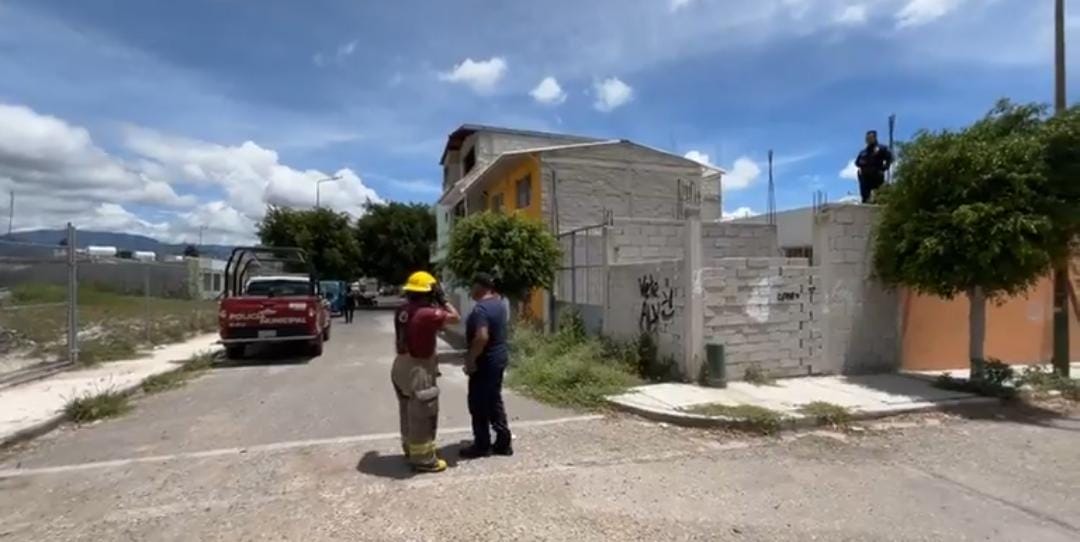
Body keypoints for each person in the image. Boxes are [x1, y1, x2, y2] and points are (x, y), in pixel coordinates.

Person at [392, 270, 460, 473]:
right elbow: (456, 318)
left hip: (400, 366)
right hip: (418, 368)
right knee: (423, 413)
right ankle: (423, 459)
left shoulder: (403, 310)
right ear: (430, 292)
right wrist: (443, 300)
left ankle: (409, 449)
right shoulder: (427, 313)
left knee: (407, 410)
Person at [460, 273, 512, 459]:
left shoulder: (480, 310)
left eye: (472, 286)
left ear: (480, 287)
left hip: (484, 362)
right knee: (494, 399)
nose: (470, 291)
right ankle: (503, 441)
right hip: (498, 359)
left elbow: (482, 337)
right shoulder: (499, 304)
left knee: (478, 403)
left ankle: (482, 444)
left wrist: (471, 359)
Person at [854, 129, 893, 204]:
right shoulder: (863, 152)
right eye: (867, 138)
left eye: (870, 138)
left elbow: (890, 158)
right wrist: (862, 163)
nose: (868, 140)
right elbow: (857, 162)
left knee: (879, 196)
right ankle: (865, 202)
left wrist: (885, 168)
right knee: (865, 197)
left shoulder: (882, 148)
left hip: (876, 175)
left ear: (875, 138)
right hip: (865, 177)